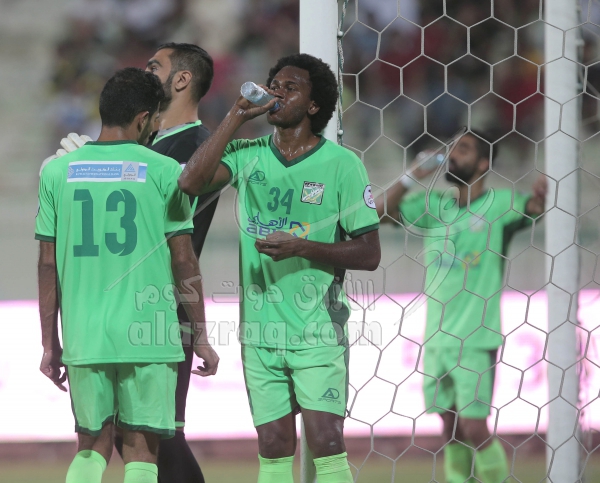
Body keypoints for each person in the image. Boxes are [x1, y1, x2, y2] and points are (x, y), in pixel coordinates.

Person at [178, 53, 381, 483]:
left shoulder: (342, 165)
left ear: (314, 105)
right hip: (260, 332)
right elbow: (190, 183)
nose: (276, 92)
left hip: (317, 330)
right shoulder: (247, 154)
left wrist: (302, 247)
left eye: (291, 87)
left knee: (326, 441)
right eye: (274, 84)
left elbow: (369, 253)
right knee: (272, 445)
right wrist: (236, 115)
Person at [36, 67, 219, 483]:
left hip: (85, 332)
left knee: (91, 445)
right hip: (148, 331)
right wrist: (201, 336)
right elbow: (184, 260)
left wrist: (50, 343)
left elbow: (47, 264)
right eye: (154, 120)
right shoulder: (165, 171)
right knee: (141, 450)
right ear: (143, 119)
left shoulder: (56, 172)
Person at [375, 131, 547, 483]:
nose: (453, 155)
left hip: (475, 337)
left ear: (483, 163)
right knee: (450, 428)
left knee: (474, 426)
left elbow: (533, 209)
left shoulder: (499, 204)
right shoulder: (435, 206)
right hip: (437, 338)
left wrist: (542, 199)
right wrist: (412, 175)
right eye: (452, 148)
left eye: (463, 149)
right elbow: (376, 213)